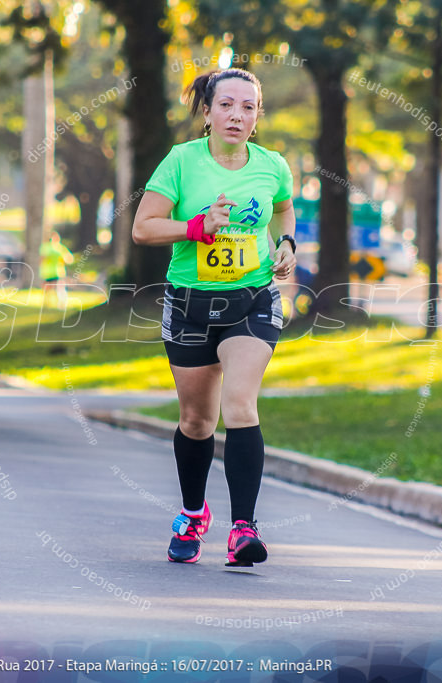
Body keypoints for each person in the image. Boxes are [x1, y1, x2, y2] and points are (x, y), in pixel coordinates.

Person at [132, 68, 297, 567]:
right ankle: (191, 512)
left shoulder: (272, 165)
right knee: (197, 420)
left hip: (252, 299)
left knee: (240, 405)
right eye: (227, 105)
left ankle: (243, 528)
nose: (237, 115)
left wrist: (287, 242)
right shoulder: (181, 162)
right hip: (190, 304)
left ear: (257, 116)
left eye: (248, 107)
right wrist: (196, 227)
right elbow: (144, 228)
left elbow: (285, 210)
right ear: (207, 112)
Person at [40, 230, 74, 309]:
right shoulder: (59, 248)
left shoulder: (49, 247)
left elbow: (42, 259)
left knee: (53, 289)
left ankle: (50, 304)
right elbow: (69, 259)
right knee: (57, 288)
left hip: (52, 272)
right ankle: (58, 304)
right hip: (53, 272)